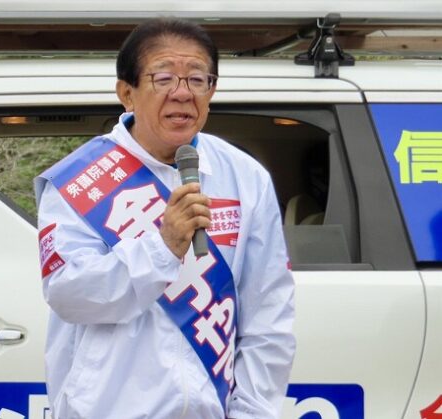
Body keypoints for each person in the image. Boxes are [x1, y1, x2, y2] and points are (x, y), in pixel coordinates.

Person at [34, 18, 295, 419]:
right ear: (127, 93)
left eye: (197, 79)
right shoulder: (81, 180)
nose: (182, 93)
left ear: (211, 91)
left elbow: (268, 313)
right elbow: (69, 294)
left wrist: (252, 413)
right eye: (164, 78)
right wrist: (162, 248)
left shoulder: (245, 177)